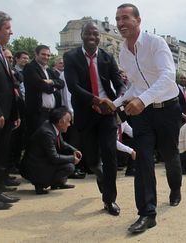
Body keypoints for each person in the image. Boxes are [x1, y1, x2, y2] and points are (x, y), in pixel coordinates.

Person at [112, 4, 183, 233]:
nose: (120, 23)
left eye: (125, 18)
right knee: (143, 159)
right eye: (117, 19)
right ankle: (146, 213)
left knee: (170, 154)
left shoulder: (156, 43)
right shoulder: (122, 52)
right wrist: (113, 104)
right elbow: (135, 85)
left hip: (167, 108)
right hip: (143, 113)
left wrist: (142, 99)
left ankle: (175, 187)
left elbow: (168, 76)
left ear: (138, 20)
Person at [63, 21, 126, 216]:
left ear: (100, 37)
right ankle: (101, 177)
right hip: (86, 112)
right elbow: (73, 86)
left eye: (96, 34)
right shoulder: (71, 56)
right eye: (89, 33)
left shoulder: (107, 57)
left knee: (110, 154)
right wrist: (94, 100)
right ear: (82, 35)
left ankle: (110, 199)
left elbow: (119, 83)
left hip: (107, 114)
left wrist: (118, 99)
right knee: (92, 160)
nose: (93, 37)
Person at [0, 10, 21, 210]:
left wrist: (14, 114)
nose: (11, 32)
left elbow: (10, 87)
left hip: (6, 115)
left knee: (1, 155)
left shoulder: (0, 52)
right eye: (7, 28)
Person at [21, 107, 80, 194]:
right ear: (60, 122)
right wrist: (72, 158)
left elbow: (62, 144)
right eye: (68, 121)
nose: (69, 124)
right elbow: (54, 158)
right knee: (69, 167)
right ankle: (40, 184)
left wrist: (74, 150)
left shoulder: (52, 125)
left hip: (41, 162)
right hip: (34, 168)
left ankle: (57, 183)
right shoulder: (47, 133)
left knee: (67, 163)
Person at [23, 45, 65, 137]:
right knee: (36, 143)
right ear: (36, 54)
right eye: (43, 54)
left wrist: (51, 81)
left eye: (48, 55)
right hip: (37, 114)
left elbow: (62, 83)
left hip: (51, 113)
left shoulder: (49, 70)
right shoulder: (30, 68)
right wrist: (54, 87)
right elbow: (44, 87)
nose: (46, 57)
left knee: (50, 141)